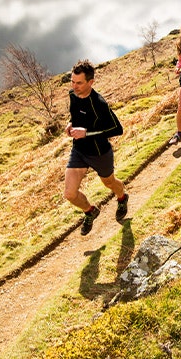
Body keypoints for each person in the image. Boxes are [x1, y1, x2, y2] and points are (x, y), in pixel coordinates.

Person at [64, 59, 129, 235]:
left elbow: (117, 129)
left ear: (91, 82)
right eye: (72, 81)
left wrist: (87, 133)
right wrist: (70, 124)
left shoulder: (99, 103)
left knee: (109, 182)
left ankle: (122, 197)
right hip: (79, 151)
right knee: (69, 194)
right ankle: (90, 211)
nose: (75, 86)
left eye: (79, 83)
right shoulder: (72, 95)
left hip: (100, 152)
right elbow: (75, 116)